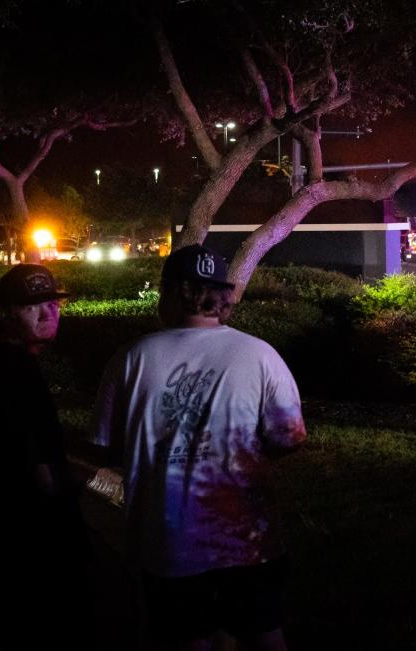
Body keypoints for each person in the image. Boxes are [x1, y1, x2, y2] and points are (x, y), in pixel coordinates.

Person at [93, 244, 306, 651]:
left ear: (170, 292)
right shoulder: (261, 355)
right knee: (263, 636)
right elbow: (289, 437)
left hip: (167, 541)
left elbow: (107, 444)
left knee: (185, 639)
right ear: (224, 296)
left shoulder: (132, 358)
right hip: (247, 539)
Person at [0, 263, 93, 648]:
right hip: (32, 534)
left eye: (52, 303)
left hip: (3, 525)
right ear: (5, 315)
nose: (48, 312)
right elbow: (37, 462)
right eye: (32, 306)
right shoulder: (14, 368)